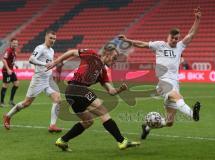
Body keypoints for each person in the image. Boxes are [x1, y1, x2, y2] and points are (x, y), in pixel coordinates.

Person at [119, 7, 202, 140]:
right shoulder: (160, 45)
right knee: (177, 96)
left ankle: (146, 127)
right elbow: (142, 44)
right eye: (173, 38)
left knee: (169, 122)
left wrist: (197, 19)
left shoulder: (180, 46)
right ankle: (193, 115)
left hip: (175, 82)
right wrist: (128, 40)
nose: (175, 40)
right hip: (164, 83)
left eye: (177, 38)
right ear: (168, 37)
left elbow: (191, 34)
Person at [46, 44, 140, 151]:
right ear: (107, 54)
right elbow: (72, 52)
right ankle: (122, 141)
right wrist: (55, 62)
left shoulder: (103, 72)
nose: (114, 61)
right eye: (114, 58)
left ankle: (62, 140)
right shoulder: (92, 54)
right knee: (103, 112)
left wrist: (120, 90)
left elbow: (111, 91)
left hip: (71, 92)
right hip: (77, 88)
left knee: (88, 121)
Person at [3, 30, 62, 132]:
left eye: (54, 39)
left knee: (58, 99)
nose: (52, 40)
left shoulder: (51, 50)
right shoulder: (40, 48)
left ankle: (52, 125)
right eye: (51, 38)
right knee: (26, 103)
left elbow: (49, 64)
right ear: (46, 37)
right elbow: (31, 59)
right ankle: (8, 116)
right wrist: (44, 64)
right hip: (38, 80)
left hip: (48, 80)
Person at [1, 38, 19, 107]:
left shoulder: (14, 51)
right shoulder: (8, 50)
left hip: (11, 71)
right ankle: (1, 102)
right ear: (11, 43)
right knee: (5, 85)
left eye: (16, 43)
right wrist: (8, 69)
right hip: (6, 71)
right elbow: (4, 60)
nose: (15, 44)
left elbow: (11, 60)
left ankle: (11, 101)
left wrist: (15, 65)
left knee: (16, 84)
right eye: (14, 43)